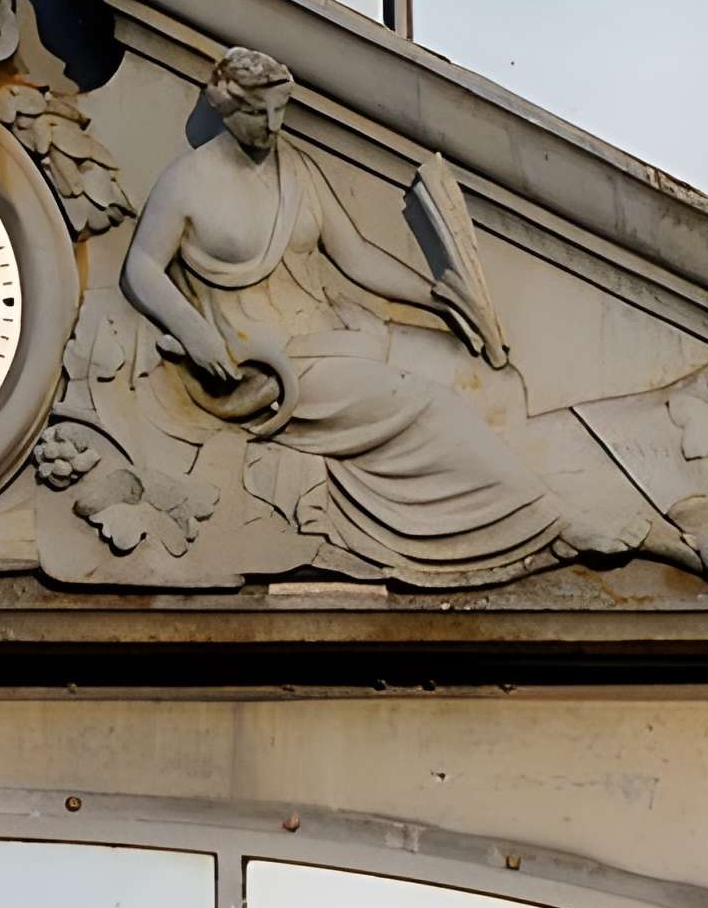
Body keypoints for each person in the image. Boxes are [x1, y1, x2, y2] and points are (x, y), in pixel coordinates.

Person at [120, 46, 645, 585]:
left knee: (475, 377)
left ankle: (541, 493)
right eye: (259, 113)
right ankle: (552, 523)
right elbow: (141, 267)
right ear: (226, 107)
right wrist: (195, 333)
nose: (273, 126)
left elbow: (356, 256)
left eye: (281, 111)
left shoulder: (295, 169)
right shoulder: (188, 183)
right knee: (431, 406)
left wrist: (438, 298)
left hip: (334, 336)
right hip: (270, 368)